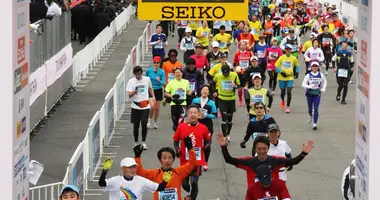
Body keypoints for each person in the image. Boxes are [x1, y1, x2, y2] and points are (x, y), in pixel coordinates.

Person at [218, 132, 314, 174]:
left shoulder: (275, 160)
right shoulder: (249, 162)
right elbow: (228, 159)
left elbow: (293, 161)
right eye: (259, 149)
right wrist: (223, 147)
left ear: (268, 148)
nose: (262, 151)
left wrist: (303, 153)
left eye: (264, 148)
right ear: (255, 149)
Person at [173, 105, 211, 200]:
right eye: (190, 113)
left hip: (197, 160)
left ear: (199, 115)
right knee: (184, 183)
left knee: (194, 182)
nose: (192, 115)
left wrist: (206, 146)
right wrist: (177, 150)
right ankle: (189, 193)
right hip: (184, 160)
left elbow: (208, 140)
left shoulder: (203, 128)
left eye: (195, 113)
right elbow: (176, 140)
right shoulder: (181, 127)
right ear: (187, 115)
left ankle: (192, 198)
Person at [98, 157, 172, 200]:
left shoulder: (141, 180)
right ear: (122, 168)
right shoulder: (116, 180)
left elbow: (160, 188)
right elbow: (101, 183)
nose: (132, 169)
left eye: (134, 167)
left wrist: (165, 181)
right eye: (129, 167)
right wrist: (105, 170)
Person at [126, 66, 155, 149]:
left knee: (144, 124)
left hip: (145, 106)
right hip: (135, 106)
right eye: (137, 75)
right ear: (134, 74)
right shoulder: (131, 81)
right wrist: (135, 91)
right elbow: (129, 94)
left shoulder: (147, 79)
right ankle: (135, 142)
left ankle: (143, 142)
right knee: (136, 125)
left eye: (140, 74)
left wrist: (153, 97)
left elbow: (150, 88)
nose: (139, 76)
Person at [192, 85, 217, 170]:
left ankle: (205, 162)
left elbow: (215, 115)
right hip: (196, 124)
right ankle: (195, 161)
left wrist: (207, 115)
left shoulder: (211, 103)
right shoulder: (195, 100)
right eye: (203, 89)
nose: (205, 91)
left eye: (207, 90)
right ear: (200, 91)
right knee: (195, 143)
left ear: (209, 93)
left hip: (207, 125)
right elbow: (190, 111)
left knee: (207, 145)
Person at [213, 65, 240, 143]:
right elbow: (213, 82)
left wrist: (235, 86)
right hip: (222, 98)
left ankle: (228, 134)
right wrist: (215, 91)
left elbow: (239, 85)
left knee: (229, 119)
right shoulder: (218, 76)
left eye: (227, 73)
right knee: (224, 117)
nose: (226, 75)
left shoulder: (234, 75)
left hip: (231, 98)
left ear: (229, 71)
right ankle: (224, 136)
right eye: (224, 74)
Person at [301, 62, 327, 130]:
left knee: (316, 109)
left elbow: (324, 82)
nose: (315, 68)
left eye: (316, 66)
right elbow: (303, 84)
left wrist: (323, 88)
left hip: (317, 94)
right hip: (309, 94)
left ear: (318, 67)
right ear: (311, 67)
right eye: (313, 66)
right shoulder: (308, 75)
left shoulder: (320, 75)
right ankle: (310, 115)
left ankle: (315, 124)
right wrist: (309, 86)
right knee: (310, 109)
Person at [275, 44, 300, 113]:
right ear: (285, 50)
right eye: (287, 49)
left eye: (289, 49)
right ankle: (283, 100)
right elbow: (276, 66)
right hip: (282, 77)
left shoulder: (294, 58)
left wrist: (297, 72)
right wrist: (281, 72)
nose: (288, 50)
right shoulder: (281, 58)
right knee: (282, 93)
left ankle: (288, 107)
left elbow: (297, 66)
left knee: (289, 92)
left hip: (290, 77)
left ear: (291, 50)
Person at [145, 57, 166, 130]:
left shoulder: (162, 72)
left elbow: (164, 83)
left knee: (157, 108)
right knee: (152, 107)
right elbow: (145, 79)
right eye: (155, 62)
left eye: (157, 63)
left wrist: (159, 80)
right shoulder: (149, 70)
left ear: (160, 63)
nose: (156, 64)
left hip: (158, 90)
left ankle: (155, 122)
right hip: (150, 90)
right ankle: (149, 120)